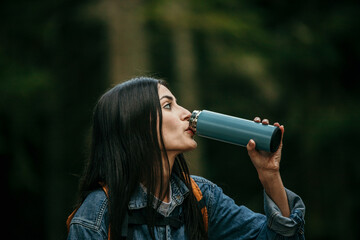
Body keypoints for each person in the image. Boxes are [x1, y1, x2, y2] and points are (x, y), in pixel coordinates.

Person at [67, 77, 305, 240]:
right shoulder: (97, 216)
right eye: (168, 105)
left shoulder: (201, 198)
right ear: (134, 126)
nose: (187, 113)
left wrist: (269, 175)